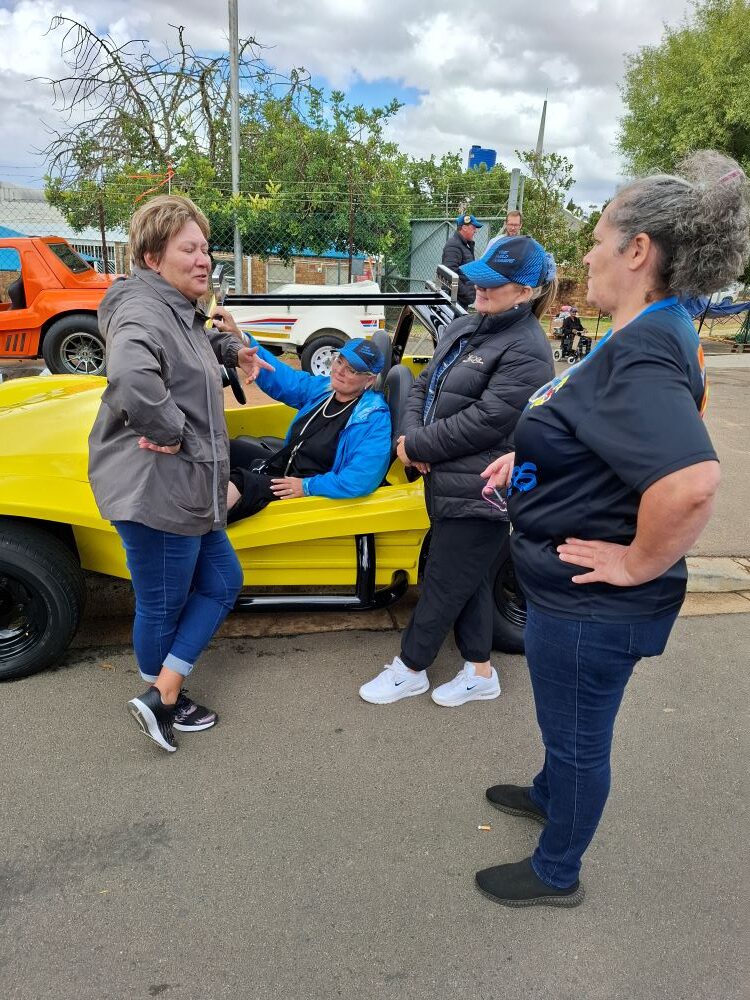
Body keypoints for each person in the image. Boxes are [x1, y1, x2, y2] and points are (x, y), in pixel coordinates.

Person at [475, 150, 748, 908]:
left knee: (578, 736)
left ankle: (557, 870)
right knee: (564, 723)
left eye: (598, 237)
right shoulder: (650, 331)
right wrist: (524, 458)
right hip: (569, 595)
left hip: (594, 606)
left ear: (638, 251)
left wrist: (636, 562)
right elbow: (607, 433)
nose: (586, 254)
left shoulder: (646, 347)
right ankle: (546, 790)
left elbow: (692, 481)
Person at [88, 194, 272, 753]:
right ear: (151, 257)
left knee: (222, 582)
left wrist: (222, 343)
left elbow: (184, 346)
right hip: (157, 490)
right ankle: (161, 699)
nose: (203, 258)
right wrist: (176, 435)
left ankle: (161, 691)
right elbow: (131, 377)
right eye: (188, 248)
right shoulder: (144, 310)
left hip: (189, 489)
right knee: (163, 603)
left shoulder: (174, 307)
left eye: (205, 247)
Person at [359, 236, 556, 707]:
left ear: (524, 292)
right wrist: (408, 441)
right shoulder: (471, 325)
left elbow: (489, 419)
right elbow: (422, 385)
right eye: (480, 281)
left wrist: (418, 445)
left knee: (445, 582)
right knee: (468, 579)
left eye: (494, 284)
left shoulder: (529, 348)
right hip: (445, 476)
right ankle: (481, 672)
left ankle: (410, 668)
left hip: (481, 488)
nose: (480, 291)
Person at [207, 313, 392, 518]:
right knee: (227, 448)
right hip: (287, 467)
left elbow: (360, 479)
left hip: (311, 493)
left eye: (352, 370)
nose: (340, 371)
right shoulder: (326, 390)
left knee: (242, 481)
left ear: (369, 380)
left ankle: (199, 529)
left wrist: (307, 486)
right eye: (339, 361)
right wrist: (241, 338)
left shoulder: (373, 418)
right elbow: (287, 380)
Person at [441, 213, 484, 308]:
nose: (475, 231)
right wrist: (466, 293)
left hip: (459, 300)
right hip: (454, 301)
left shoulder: (464, 245)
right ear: (464, 227)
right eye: (473, 227)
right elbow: (449, 274)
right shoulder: (454, 245)